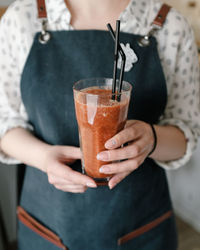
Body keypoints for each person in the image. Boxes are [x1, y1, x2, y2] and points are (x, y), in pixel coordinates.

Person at [0, 0, 199, 249]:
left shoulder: (170, 25)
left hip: (140, 224)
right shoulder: (21, 18)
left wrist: (152, 138)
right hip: (48, 224)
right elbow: (4, 123)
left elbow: (186, 133)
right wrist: (44, 158)